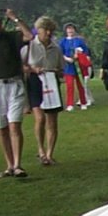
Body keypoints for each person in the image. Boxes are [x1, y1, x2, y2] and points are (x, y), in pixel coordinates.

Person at [23, 16, 63, 166]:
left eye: (50, 30)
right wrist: (33, 69)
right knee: (40, 118)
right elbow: (23, 66)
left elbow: (61, 69)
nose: (47, 33)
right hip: (35, 82)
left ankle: (49, 154)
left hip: (52, 82)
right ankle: (40, 150)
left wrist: (57, 71)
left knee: (52, 120)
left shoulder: (56, 48)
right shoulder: (30, 45)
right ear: (38, 30)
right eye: (44, 30)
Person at [0, 10, 31, 178]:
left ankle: (18, 165)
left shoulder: (12, 37)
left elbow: (29, 36)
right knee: (2, 128)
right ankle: (10, 165)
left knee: (14, 124)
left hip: (13, 84)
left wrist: (15, 18)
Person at [60, 23, 91, 111]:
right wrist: (66, 58)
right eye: (68, 29)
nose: (70, 30)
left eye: (72, 29)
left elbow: (86, 52)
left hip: (79, 66)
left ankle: (83, 102)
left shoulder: (79, 41)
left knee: (81, 85)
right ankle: (70, 104)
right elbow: (60, 53)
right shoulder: (63, 41)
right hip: (68, 66)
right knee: (69, 85)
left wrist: (80, 56)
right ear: (66, 30)